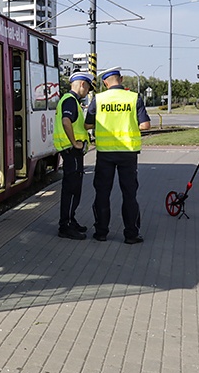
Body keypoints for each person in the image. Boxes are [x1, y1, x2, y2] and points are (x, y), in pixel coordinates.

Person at [84, 67, 152, 244]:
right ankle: (131, 234)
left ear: (105, 83)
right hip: (128, 154)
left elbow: (87, 125)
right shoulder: (134, 98)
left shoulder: (98, 99)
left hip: (105, 154)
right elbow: (145, 126)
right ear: (121, 79)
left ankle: (101, 233)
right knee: (129, 195)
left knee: (102, 193)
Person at [54, 70, 93, 240]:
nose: (88, 92)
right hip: (72, 151)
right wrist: (75, 142)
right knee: (71, 189)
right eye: (88, 88)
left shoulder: (70, 100)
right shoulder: (70, 100)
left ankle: (71, 219)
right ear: (83, 84)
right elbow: (65, 121)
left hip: (72, 152)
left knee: (74, 189)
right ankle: (65, 226)